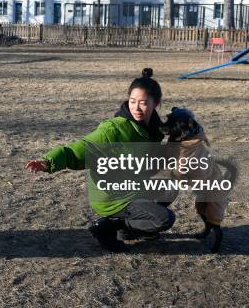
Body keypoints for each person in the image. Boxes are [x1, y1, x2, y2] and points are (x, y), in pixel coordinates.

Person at [25, 68, 175, 251]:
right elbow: (79, 150)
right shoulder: (113, 130)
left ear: (156, 103)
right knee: (164, 218)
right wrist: (48, 162)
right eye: (132, 101)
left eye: (143, 103)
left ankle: (127, 231)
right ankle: (108, 226)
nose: (136, 107)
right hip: (111, 195)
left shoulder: (154, 129)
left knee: (171, 188)